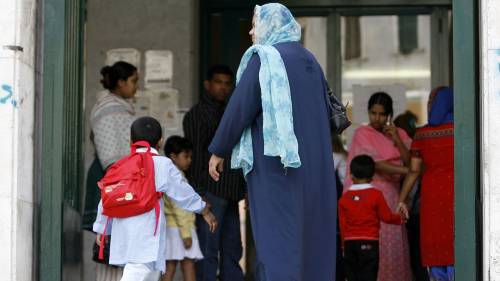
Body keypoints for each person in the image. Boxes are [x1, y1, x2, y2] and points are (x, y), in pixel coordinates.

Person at [207, 3, 337, 280]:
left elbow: (240, 107)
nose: (252, 32)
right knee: (313, 236)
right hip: (316, 166)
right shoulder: (310, 60)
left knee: (277, 235)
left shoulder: (265, 58)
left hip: (276, 166)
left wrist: (219, 149)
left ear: (271, 25)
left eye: (256, 24)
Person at [93, 117, 217, 281]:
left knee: (144, 273)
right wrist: (204, 209)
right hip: (146, 231)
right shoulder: (162, 165)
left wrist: (102, 227)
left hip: (122, 230)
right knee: (139, 271)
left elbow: (107, 197)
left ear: (131, 140)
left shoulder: (121, 165)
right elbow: (182, 192)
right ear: (160, 141)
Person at [183, 65, 246, 281]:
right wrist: (199, 193)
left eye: (227, 83)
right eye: (218, 82)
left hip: (231, 191)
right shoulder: (197, 115)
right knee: (208, 252)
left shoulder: (230, 112)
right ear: (207, 85)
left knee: (232, 251)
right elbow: (195, 158)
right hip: (209, 192)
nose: (223, 87)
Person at [345, 91, 412, 281]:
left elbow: (411, 161)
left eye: (382, 114)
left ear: (389, 115)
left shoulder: (400, 134)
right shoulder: (362, 134)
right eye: (373, 113)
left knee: (394, 246)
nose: (377, 118)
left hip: (394, 197)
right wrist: (408, 172)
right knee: (374, 247)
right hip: (370, 197)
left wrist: (398, 140)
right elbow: (376, 164)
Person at [397, 87, 455, 281]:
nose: (429, 104)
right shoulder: (463, 131)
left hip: (431, 198)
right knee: (456, 243)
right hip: (458, 195)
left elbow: (413, 171)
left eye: (432, 100)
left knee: (435, 244)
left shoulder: (422, 135)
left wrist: (402, 199)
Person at [89, 61, 139, 280]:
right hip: (112, 180)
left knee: (116, 243)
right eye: (134, 81)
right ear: (120, 83)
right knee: (108, 243)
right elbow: (110, 151)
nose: (137, 86)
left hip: (118, 179)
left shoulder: (119, 106)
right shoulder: (109, 108)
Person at [339, 155, 405, 281]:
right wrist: (400, 219)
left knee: (352, 276)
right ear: (372, 176)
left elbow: (343, 225)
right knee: (368, 275)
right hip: (369, 241)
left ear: (351, 175)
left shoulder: (344, 199)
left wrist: (343, 246)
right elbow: (386, 217)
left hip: (349, 244)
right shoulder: (376, 195)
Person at [394, 111, 430, 281]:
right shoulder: (422, 143)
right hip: (419, 207)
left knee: (416, 255)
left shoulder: (414, 146)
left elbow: (412, 168)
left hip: (414, 207)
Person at [162, 136, 204, 281]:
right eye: (186, 156)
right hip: (181, 228)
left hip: (172, 228)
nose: (189, 160)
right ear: (173, 157)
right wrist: (186, 233)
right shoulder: (175, 177)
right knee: (187, 265)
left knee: (170, 266)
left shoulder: (172, 175)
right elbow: (179, 207)